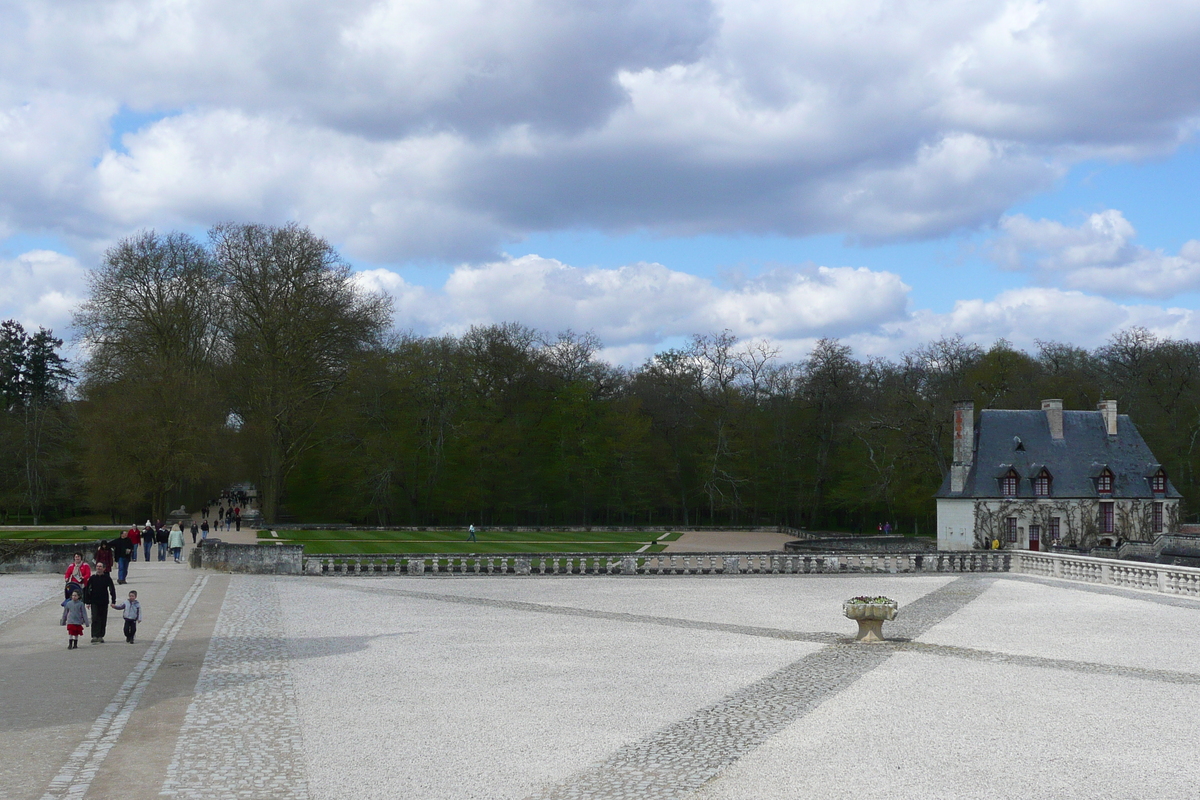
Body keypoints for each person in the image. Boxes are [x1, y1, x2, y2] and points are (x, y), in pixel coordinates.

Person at [84, 562, 117, 643]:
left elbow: (112, 589)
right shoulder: (92, 578)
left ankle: (101, 635)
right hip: (94, 601)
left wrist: (113, 601)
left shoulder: (107, 578)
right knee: (95, 618)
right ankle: (94, 635)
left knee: (103, 619)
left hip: (104, 601)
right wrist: (87, 601)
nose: (98, 568)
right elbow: (87, 590)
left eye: (100, 566)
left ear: (104, 568)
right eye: (97, 566)